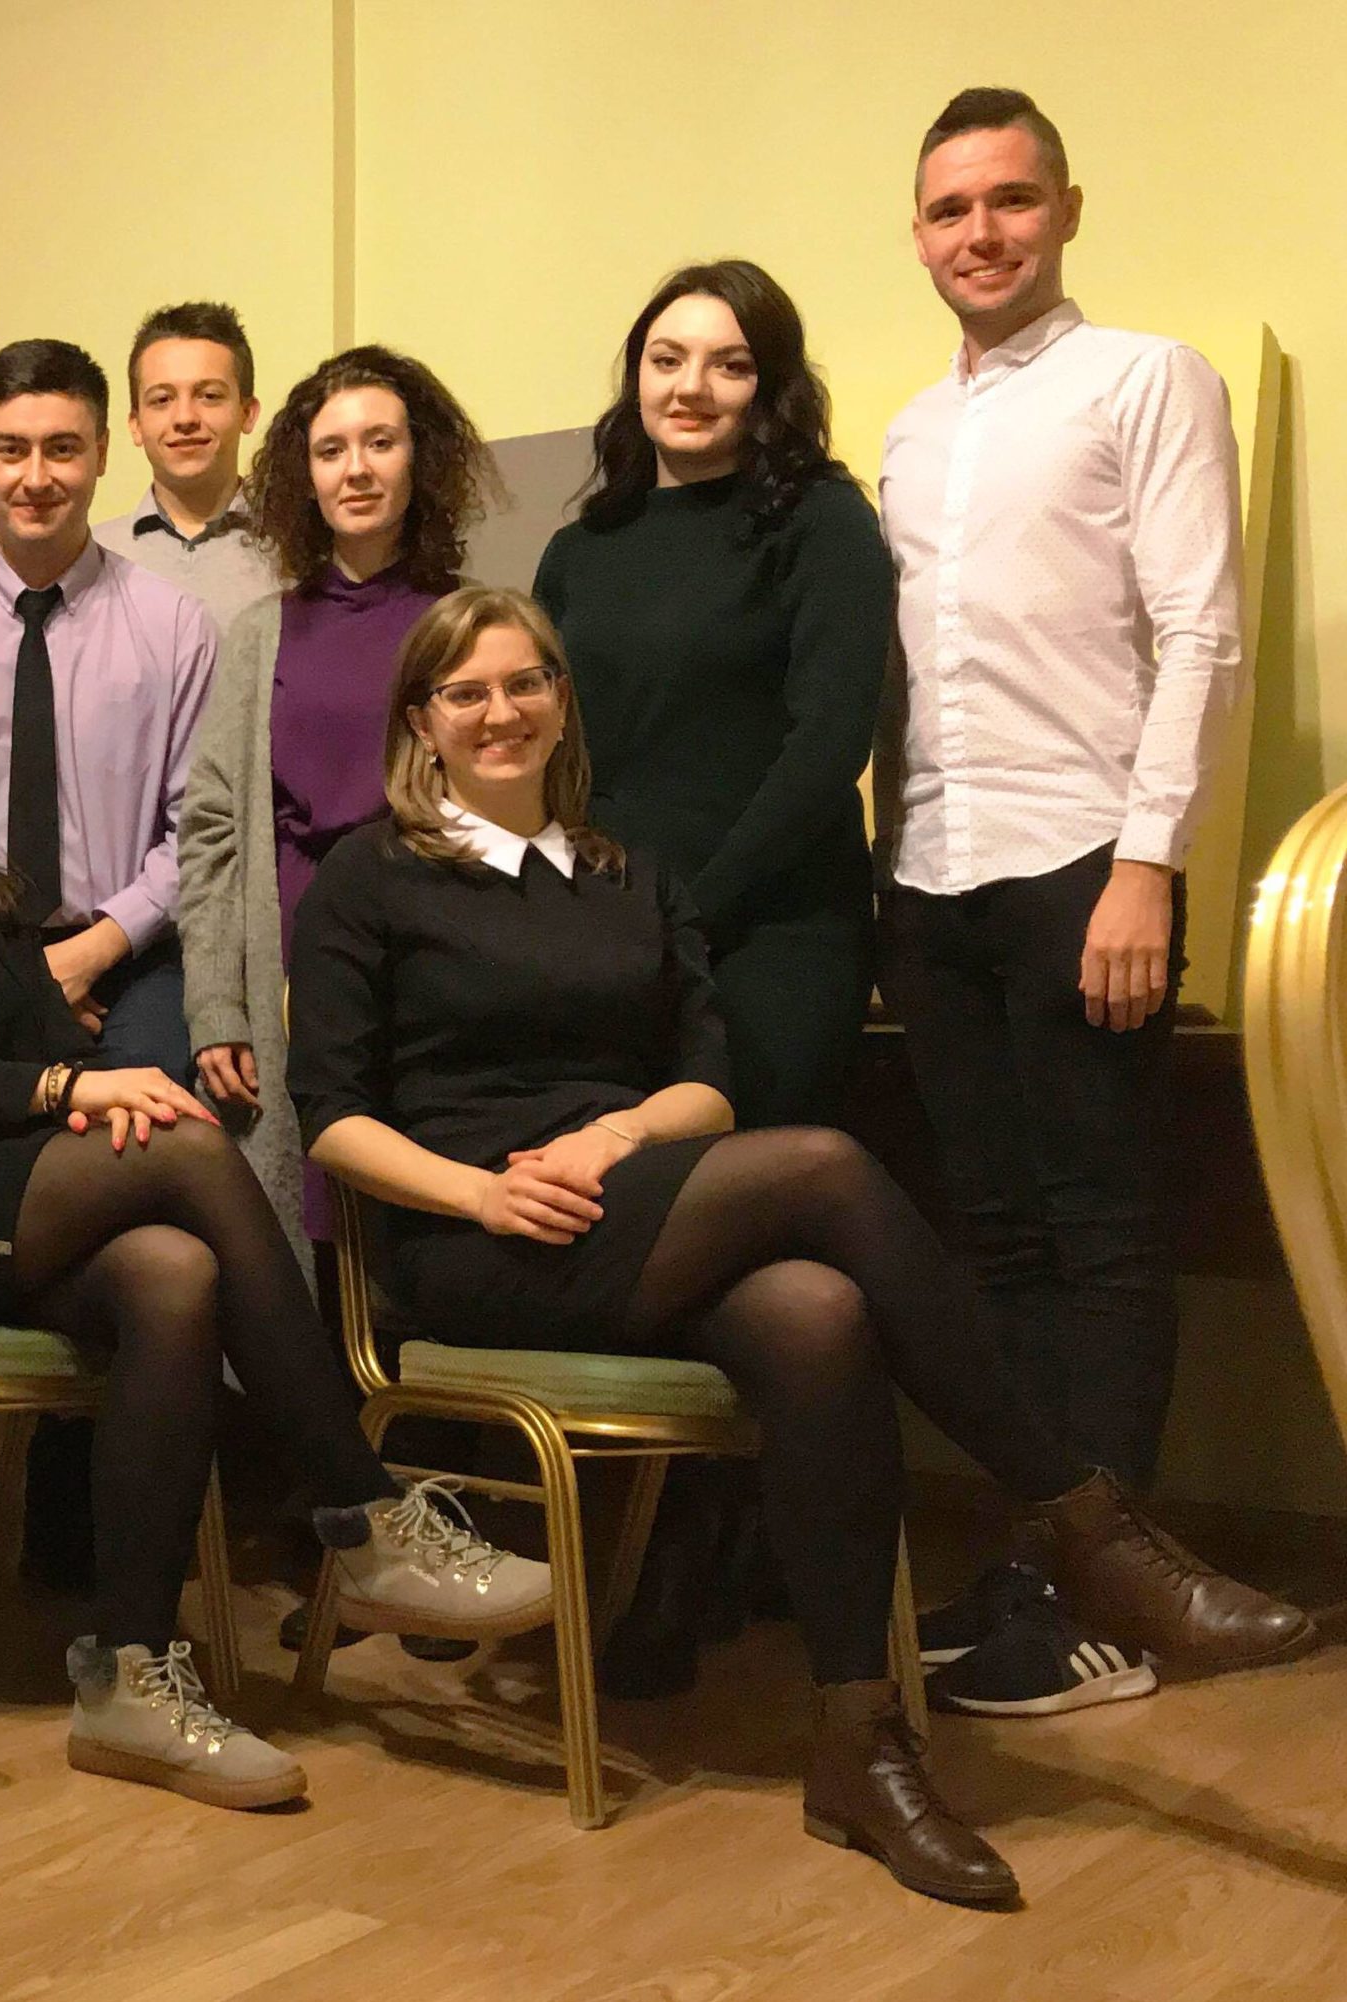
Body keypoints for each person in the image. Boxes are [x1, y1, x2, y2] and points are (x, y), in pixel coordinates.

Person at [288, 584, 1308, 1907]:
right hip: (481, 1246)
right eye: (465, 691)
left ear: (561, 700)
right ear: (421, 721)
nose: (500, 710)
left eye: (525, 680)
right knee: (823, 1164)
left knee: (817, 1312)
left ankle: (857, 1744)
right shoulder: (371, 877)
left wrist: (614, 1136)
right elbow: (332, 1119)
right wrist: (480, 1195)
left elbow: (706, 1088)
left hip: (632, 1211)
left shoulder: (628, 871)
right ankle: (1088, 1526)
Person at [0, 623, 554, 1811]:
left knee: (172, 1269)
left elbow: (39, 1066)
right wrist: (65, 1090)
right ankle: (363, 1509)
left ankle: (128, 1674)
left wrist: (81, 1094)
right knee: (182, 1143)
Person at [876, 89, 1251, 1717]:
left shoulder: (1148, 377)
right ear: (918, 233)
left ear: (1067, 209)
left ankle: (1106, 1604)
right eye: (952, 208)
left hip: (1085, 865)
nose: (983, 233)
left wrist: (1149, 861)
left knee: (1102, 1235)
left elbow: (1203, 632)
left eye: (1011, 200)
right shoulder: (908, 433)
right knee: (998, 1241)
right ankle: (1032, 1567)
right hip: (932, 877)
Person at [533, 261, 893, 1699]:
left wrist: (696, 913)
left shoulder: (820, 519)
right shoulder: (586, 545)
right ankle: (673, 1548)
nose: (690, 387)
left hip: (775, 929)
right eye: (666, 358)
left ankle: (703, 1559)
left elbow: (827, 746)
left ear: (770, 384)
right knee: (651, 1243)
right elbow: (552, 756)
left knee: (753, 1239)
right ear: (634, 375)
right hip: (623, 938)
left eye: (728, 362)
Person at [180, 344, 487, 1269]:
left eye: (380, 442)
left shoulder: (473, 622)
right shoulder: (259, 633)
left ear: (419, 458)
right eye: (330, 449)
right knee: (300, 1222)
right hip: (290, 952)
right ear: (301, 476)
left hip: (437, 950)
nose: (356, 469)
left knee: (434, 1204)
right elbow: (211, 828)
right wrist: (217, 1007)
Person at [0, 338, 216, 1082]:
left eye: (62, 449)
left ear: (102, 453)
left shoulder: (175, 627)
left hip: (128, 955)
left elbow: (199, 831)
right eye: (11, 450)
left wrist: (93, 950)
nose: (35, 478)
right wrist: (7, 975)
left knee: (149, 1125)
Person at [93, 302, 277, 632]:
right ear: (135, 424)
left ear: (247, 413)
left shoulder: (295, 551)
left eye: (209, 396)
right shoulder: (91, 557)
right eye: (162, 399)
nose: (185, 418)